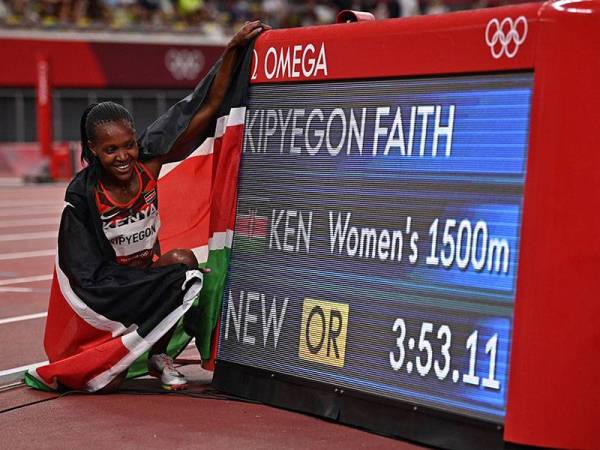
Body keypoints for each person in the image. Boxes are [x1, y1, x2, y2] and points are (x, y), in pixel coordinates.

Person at [26, 20, 268, 394]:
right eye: (110, 150)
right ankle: (123, 348)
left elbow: (206, 110)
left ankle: (158, 355)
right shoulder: (82, 198)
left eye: (128, 145)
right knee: (104, 382)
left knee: (185, 265)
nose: (123, 156)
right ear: (92, 151)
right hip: (110, 290)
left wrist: (233, 49)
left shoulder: (147, 167)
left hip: (148, 277)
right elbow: (82, 275)